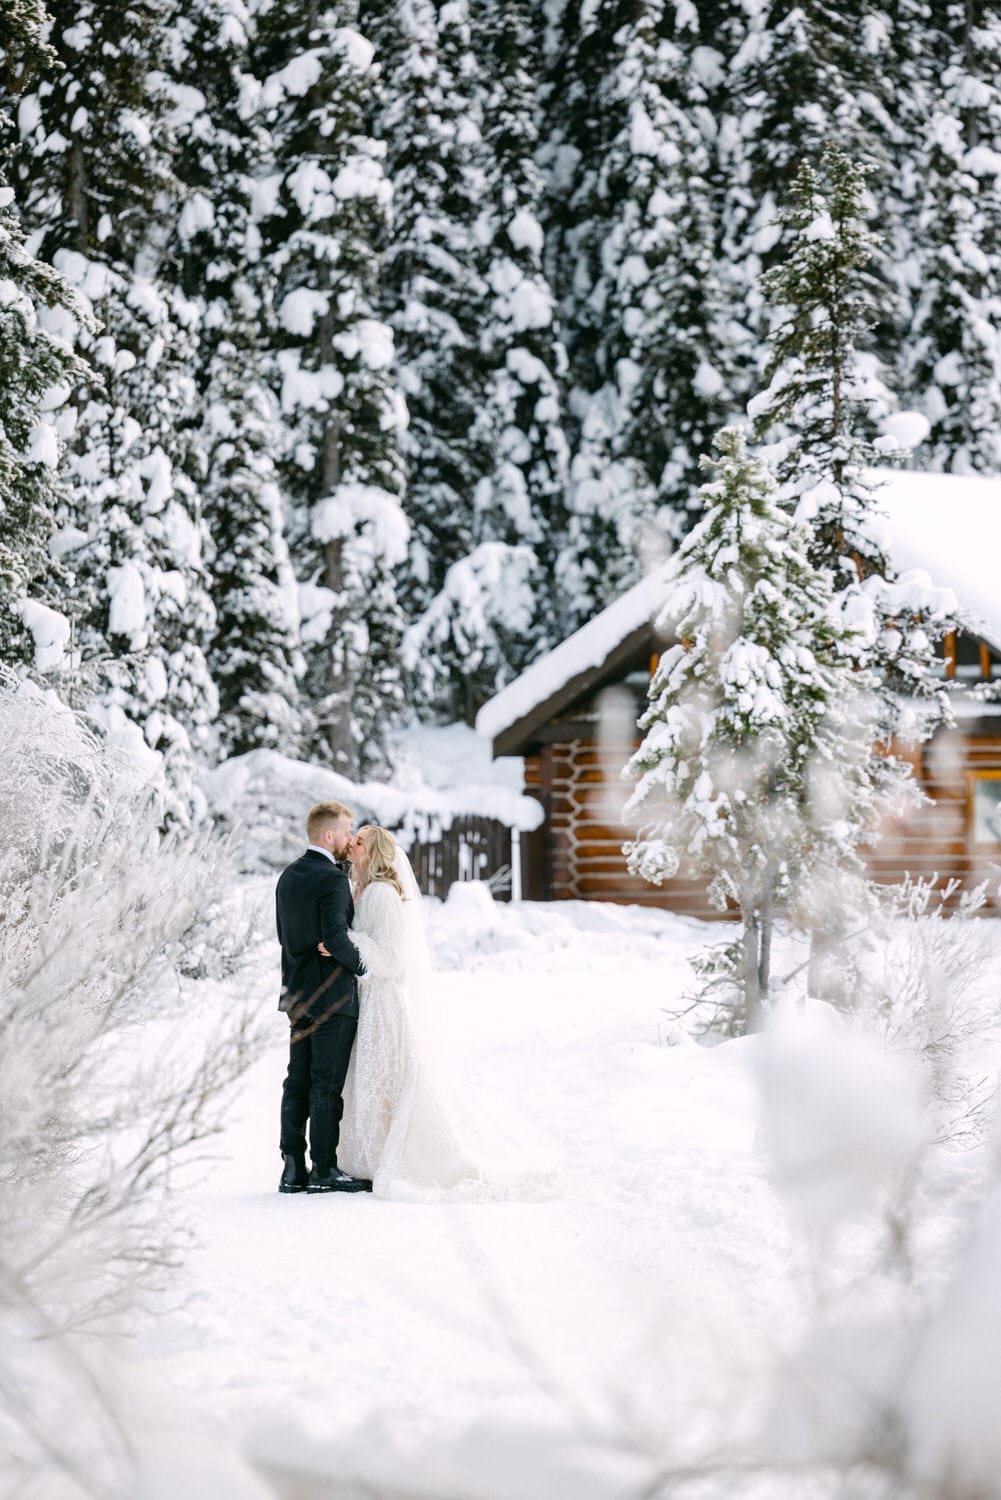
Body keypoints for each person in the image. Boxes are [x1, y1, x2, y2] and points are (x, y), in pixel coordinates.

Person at [326, 825, 551, 1201]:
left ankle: (386, 1153)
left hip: (381, 1001)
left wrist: (345, 943)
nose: (352, 844)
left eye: (360, 841)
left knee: (382, 1075)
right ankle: (365, 1152)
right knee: (369, 1075)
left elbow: (394, 959)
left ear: (375, 852)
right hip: (366, 997)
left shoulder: (382, 894)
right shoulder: (361, 888)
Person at [274, 800, 371, 1195]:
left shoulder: (287, 876)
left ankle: (292, 1169)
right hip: (332, 996)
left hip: (296, 994)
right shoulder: (331, 879)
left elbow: (287, 937)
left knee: (296, 1081)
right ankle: (325, 1169)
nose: (349, 840)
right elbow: (335, 938)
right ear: (328, 835)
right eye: (347, 832)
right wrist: (363, 965)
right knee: (325, 1085)